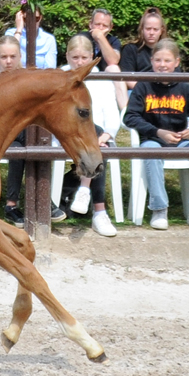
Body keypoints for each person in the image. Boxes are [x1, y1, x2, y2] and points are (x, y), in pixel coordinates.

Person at [123, 39, 189, 232]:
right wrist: (157, 132)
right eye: (158, 60)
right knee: (150, 152)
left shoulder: (184, 87)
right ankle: (159, 209)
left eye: (167, 60)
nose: (162, 65)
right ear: (151, 61)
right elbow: (130, 117)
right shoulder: (143, 86)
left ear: (176, 62)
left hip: (181, 143)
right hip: (153, 141)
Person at [0, 36, 65, 227]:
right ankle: (45, 200)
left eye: (12, 56)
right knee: (32, 139)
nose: (8, 61)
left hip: (18, 135)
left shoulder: (26, 79)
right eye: (4, 57)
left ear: (20, 56)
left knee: (22, 147)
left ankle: (12, 205)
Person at [61, 36, 120, 237]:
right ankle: (97, 207)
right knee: (89, 131)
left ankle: (96, 208)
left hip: (97, 138)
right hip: (66, 137)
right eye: (75, 57)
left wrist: (106, 136)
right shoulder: (59, 77)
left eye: (84, 57)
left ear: (92, 57)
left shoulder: (102, 80)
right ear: (67, 56)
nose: (79, 62)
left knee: (98, 146)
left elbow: (113, 116)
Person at [78, 8, 129, 110]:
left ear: (110, 28)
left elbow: (113, 61)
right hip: (84, 76)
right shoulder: (82, 38)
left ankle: (125, 111)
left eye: (104, 25)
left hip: (105, 80)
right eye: (97, 24)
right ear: (90, 24)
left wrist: (100, 37)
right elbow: (79, 62)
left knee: (114, 68)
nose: (100, 28)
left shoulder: (114, 41)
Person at [120, 7, 178, 91]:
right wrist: (147, 91)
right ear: (142, 29)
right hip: (138, 90)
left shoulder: (169, 50)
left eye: (155, 29)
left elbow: (176, 76)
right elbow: (128, 78)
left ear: (161, 30)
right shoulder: (131, 49)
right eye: (148, 29)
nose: (151, 33)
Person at [4, 4, 57, 69]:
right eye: (26, 19)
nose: (31, 22)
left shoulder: (48, 39)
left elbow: (51, 67)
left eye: (36, 18)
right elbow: (10, 53)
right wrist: (19, 29)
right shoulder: (11, 33)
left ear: (40, 18)